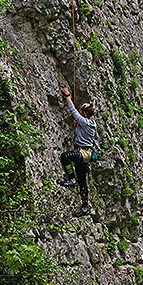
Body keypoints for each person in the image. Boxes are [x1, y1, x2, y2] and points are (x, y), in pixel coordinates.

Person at [58, 85, 97, 217]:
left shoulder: (85, 122)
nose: (80, 114)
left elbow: (73, 112)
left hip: (83, 152)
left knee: (65, 157)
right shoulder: (91, 122)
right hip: (87, 153)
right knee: (83, 182)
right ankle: (85, 208)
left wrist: (67, 95)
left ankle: (72, 179)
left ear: (85, 114)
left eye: (82, 113)